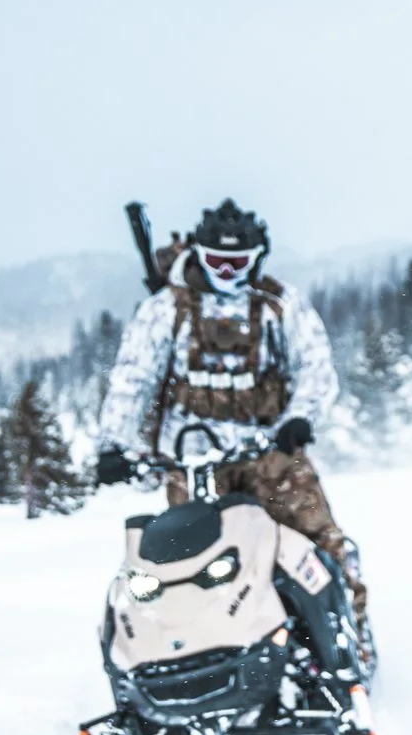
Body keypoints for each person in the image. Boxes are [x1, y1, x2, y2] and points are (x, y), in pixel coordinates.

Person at [94, 198, 370, 634]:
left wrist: (299, 419)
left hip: (272, 453)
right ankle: (200, 653)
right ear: (199, 256)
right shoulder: (168, 308)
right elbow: (133, 378)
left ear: (257, 258)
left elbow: (316, 368)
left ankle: (348, 634)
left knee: (317, 545)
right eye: (217, 263)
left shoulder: (280, 304)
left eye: (238, 262)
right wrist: (115, 444)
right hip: (193, 464)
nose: (227, 273)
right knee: (187, 566)